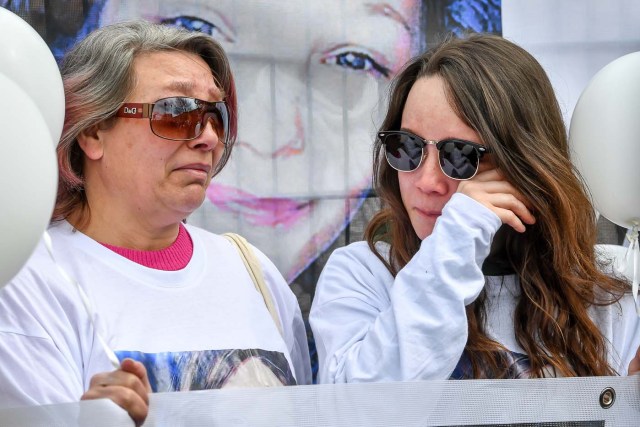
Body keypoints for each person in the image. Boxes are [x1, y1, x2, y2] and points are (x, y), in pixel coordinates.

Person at [0, 20, 311, 425]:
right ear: (93, 131)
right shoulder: (28, 283)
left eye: (215, 115)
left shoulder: (252, 270)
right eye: (176, 112)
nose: (209, 138)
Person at [309, 33, 640, 383]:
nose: (427, 182)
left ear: (524, 163)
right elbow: (363, 410)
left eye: (460, 156)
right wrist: (459, 235)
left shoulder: (604, 294)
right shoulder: (363, 274)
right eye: (407, 146)